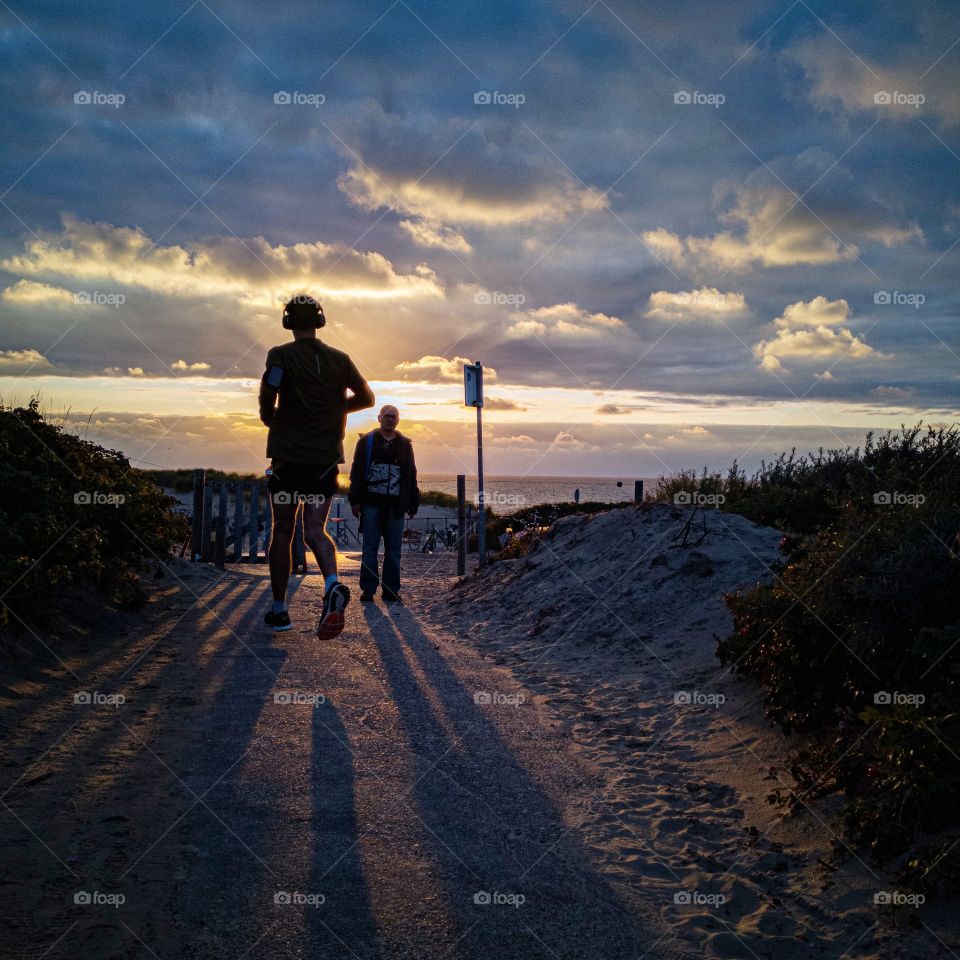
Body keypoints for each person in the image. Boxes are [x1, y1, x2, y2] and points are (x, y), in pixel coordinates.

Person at [258, 295, 375, 637]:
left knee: (283, 530)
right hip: (324, 462)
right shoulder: (340, 359)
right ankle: (331, 585)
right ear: (320, 320)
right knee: (314, 531)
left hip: (287, 460)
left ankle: (280, 611)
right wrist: (334, 410)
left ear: (288, 322)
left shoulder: (279, 355)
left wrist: (271, 419)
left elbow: (269, 393)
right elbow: (367, 398)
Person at [348, 405, 420, 604]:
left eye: (393, 416)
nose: (390, 419)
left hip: (396, 505)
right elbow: (356, 472)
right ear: (379, 418)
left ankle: (391, 590)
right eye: (386, 416)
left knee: (394, 550)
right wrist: (355, 500)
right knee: (370, 549)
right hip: (371, 503)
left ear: (398, 420)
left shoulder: (405, 444)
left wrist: (413, 503)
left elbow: (411, 474)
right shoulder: (366, 441)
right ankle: (368, 590)